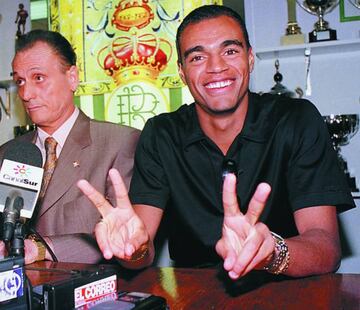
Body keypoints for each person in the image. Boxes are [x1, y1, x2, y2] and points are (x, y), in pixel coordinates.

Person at [78, 5, 355, 279]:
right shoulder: (161, 133)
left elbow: (325, 246)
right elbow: (142, 246)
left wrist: (272, 252)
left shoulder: (296, 120)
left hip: (286, 290)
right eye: (198, 57)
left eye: (230, 51)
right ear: (182, 72)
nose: (216, 67)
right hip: (193, 296)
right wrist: (131, 247)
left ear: (250, 58)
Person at [0, 29, 140, 264]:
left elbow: (125, 237)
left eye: (38, 78)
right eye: (20, 81)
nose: (26, 93)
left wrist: (39, 249)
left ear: (72, 77)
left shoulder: (120, 142)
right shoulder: (8, 154)